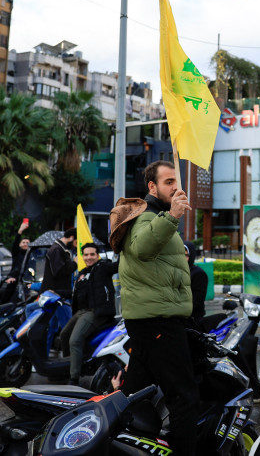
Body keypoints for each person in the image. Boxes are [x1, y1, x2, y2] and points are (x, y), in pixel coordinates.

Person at [110, 160, 199, 456]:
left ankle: (114, 445)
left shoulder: (156, 216)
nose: (177, 187)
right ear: (152, 187)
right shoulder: (146, 216)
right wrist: (172, 215)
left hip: (152, 320)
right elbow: (143, 249)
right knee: (184, 397)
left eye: (177, 181)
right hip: (158, 322)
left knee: (133, 394)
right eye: (169, 182)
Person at [59, 243, 118, 385]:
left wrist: (121, 246)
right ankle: (72, 365)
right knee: (63, 335)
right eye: (86, 254)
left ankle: (74, 378)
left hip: (96, 312)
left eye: (92, 254)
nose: (89, 257)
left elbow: (116, 266)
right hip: (81, 312)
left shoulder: (103, 267)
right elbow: (76, 293)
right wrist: (55, 293)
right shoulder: (82, 273)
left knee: (75, 340)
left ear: (97, 255)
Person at [40, 228, 77, 298]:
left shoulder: (60, 249)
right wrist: (75, 263)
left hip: (57, 293)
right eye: (76, 243)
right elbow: (60, 271)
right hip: (54, 294)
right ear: (71, 238)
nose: (75, 246)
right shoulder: (57, 249)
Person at [184, 241, 208, 325]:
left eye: (186, 255)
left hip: (193, 319)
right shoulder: (176, 271)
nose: (183, 258)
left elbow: (197, 301)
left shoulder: (198, 273)